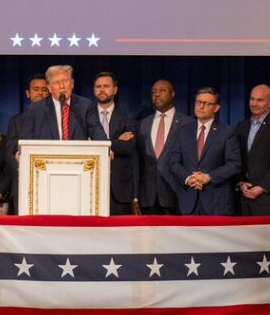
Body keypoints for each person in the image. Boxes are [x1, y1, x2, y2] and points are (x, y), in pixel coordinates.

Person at [163, 87, 241, 216]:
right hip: (188, 202)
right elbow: (173, 162)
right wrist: (189, 178)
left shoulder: (227, 132)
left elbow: (234, 164)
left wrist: (208, 177)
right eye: (198, 102)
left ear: (216, 108)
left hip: (216, 203)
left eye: (206, 103)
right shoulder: (183, 131)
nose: (201, 106)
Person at [235, 84, 270, 216]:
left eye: (260, 100)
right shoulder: (242, 126)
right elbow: (238, 159)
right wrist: (241, 182)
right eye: (252, 99)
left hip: (267, 198)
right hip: (244, 196)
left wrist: (262, 188)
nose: (254, 103)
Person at [16, 65, 108, 142]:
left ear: (72, 84)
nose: (62, 86)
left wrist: (107, 149)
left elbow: (97, 133)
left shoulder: (85, 105)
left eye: (65, 81)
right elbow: (24, 141)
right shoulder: (35, 109)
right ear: (49, 88)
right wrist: (18, 152)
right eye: (56, 82)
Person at [92, 72, 140, 215]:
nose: (102, 90)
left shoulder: (128, 116)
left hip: (119, 191)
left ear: (115, 90)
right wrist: (116, 142)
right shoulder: (85, 116)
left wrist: (95, 144)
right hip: (90, 187)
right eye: (98, 86)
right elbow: (80, 145)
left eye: (106, 86)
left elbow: (128, 147)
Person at [137, 79, 186, 214]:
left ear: (173, 94)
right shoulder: (142, 124)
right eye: (154, 92)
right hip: (148, 198)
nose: (157, 94)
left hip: (177, 195)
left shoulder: (187, 124)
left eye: (162, 91)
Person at [3, 73, 49, 213]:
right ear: (28, 93)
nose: (40, 93)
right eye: (36, 89)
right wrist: (22, 172)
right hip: (23, 184)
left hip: (50, 183)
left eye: (44, 89)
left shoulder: (58, 122)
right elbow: (10, 152)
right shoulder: (16, 121)